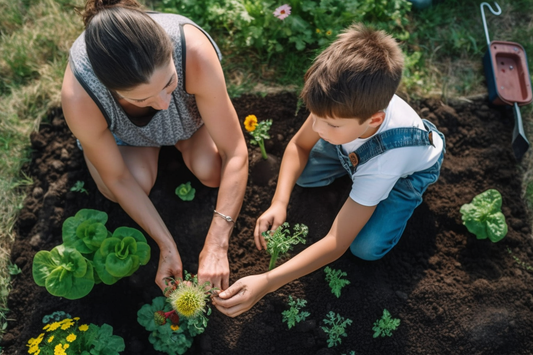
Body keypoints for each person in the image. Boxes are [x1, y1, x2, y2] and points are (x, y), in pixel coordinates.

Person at [213, 23, 445, 316]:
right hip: (354, 147)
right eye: (316, 117)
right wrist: (279, 202)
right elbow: (299, 146)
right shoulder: (336, 107)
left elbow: (336, 243)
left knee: (366, 248)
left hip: (406, 172)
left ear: (373, 120)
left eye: (330, 124)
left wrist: (268, 282)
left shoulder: (384, 164)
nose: (318, 129)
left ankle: (390, 197)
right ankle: (355, 182)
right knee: (305, 175)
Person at [61, 0, 248, 293]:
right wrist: (166, 244)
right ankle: (115, 148)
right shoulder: (80, 95)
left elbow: (235, 151)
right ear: (108, 88)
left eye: (170, 83)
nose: (162, 104)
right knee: (123, 186)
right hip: (129, 138)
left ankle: (174, 144)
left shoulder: (193, 52)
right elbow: (119, 178)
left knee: (213, 172)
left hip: (189, 125)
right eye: (141, 100)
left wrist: (216, 242)